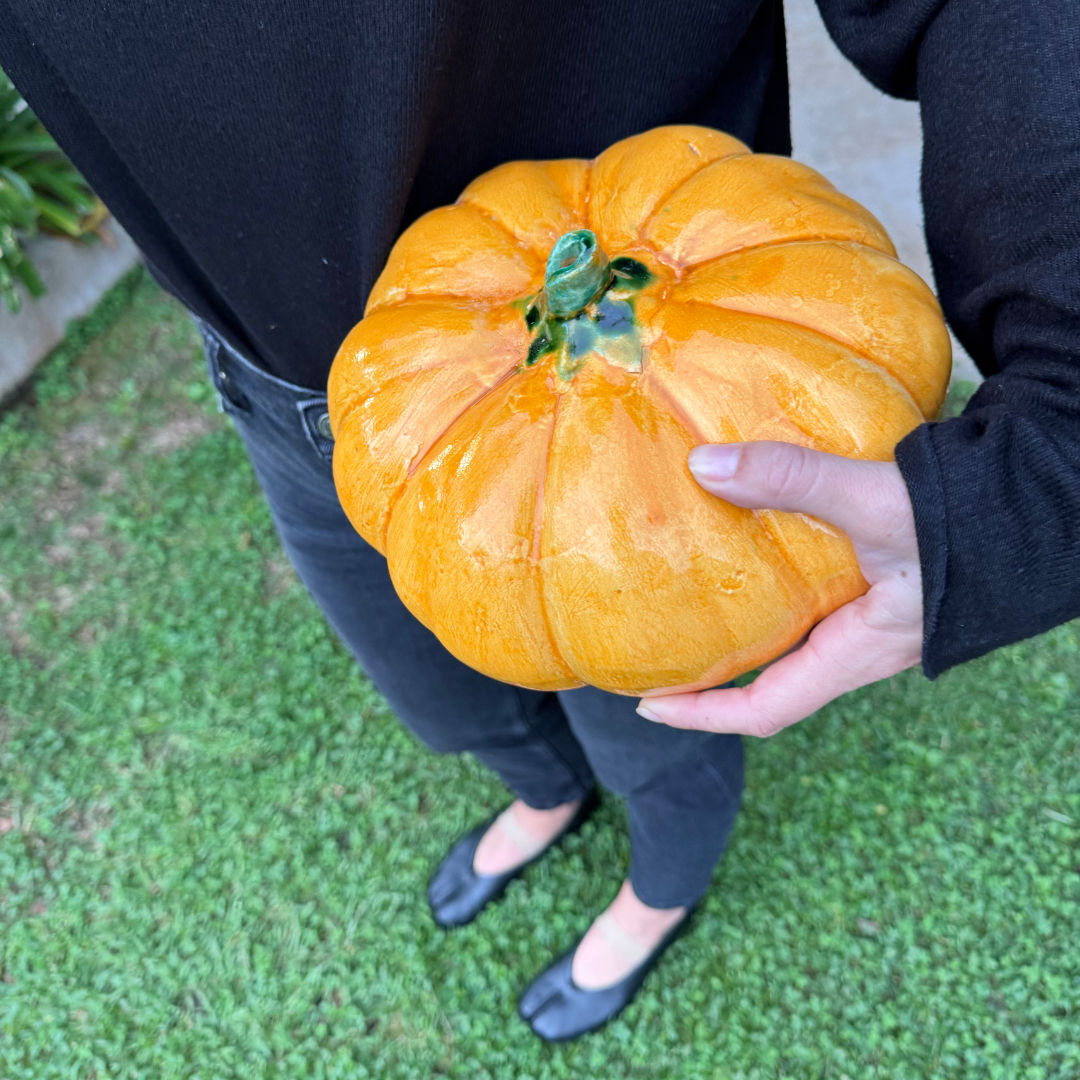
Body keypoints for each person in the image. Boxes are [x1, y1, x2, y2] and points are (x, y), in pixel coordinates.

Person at [2, 0, 1076, 1043]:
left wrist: (1051, 445)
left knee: (658, 739)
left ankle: (657, 890)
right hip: (284, 379)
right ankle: (544, 795)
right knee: (436, 699)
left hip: (667, 448)